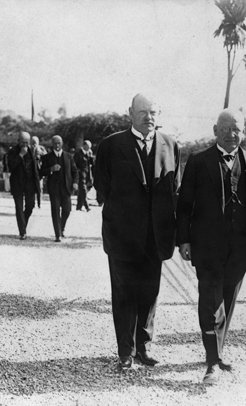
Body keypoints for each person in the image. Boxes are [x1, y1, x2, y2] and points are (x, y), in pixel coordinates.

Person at [176, 108, 246, 385]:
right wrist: (183, 240)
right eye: (226, 129)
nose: (232, 135)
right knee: (210, 301)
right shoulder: (198, 161)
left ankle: (216, 351)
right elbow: (184, 206)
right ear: (215, 130)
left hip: (240, 248)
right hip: (207, 246)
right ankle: (212, 361)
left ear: (244, 132)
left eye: (237, 129)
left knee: (228, 299)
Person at [94, 93, 180, 370]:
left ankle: (144, 347)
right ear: (130, 113)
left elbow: (173, 188)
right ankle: (125, 352)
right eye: (143, 112)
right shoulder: (111, 145)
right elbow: (102, 185)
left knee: (149, 292)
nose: (149, 117)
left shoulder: (170, 145)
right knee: (124, 293)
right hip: (122, 235)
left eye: (153, 112)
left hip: (155, 237)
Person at [40, 135, 78, 242]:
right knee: (55, 211)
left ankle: (61, 228)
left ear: (62, 144)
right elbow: (41, 171)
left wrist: (75, 182)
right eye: (55, 143)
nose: (57, 145)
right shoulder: (47, 157)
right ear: (52, 144)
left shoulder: (69, 156)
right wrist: (51, 169)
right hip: (54, 189)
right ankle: (58, 234)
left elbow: (75, 172)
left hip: (66, 188)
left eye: (59, 143)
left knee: (67, 210)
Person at [7, 131, 41, 240]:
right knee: (19, 208)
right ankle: (22, 232)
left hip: (29, 183)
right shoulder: (12, 151)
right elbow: (11, 166)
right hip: (17, 183)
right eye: (23, 142)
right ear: (18, 141)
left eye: (27, 142)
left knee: (30, 206)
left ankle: (23, 225)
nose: (25, 145)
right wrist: (20, 155)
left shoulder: (32, 151)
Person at [74, 140, 95, 212]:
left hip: (87, 174)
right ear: (84, 146)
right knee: (83, 190)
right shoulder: (78, 153)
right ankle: (87, 206)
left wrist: (91, 156)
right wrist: (77, 170)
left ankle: (78, 206)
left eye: (90, 148)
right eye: (88, 147)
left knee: (82, 190)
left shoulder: (88, 153)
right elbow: (74, 164)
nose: (89, 149)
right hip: (80, 174)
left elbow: (91, 164)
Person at [31, 135, 47, 205]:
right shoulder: (28, 148)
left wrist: (39, 153)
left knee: (40, 187)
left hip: (39, 171)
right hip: (31, 171)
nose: (34, 143)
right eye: (33, 142)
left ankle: (39, 202)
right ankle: (32, 202)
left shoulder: (41, 148)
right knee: (31, 187)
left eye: (35, 142)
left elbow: (46, 157)